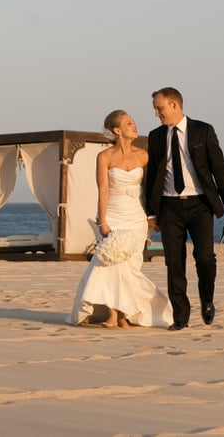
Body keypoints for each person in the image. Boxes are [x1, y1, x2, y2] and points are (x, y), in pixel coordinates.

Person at [67, 110, 173, 329]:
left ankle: (124, 314)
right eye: (128, 123)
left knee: (130, 267)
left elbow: (151, 190)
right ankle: (114, 315)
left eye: (133, 121)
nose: (134, 125)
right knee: (111, 264)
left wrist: (153, 217)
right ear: (117, 130)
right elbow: (103, 190)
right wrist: (102, 220)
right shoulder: (105, 157)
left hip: (136, 216)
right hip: (114, 215)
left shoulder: (144, 155)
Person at [143, 87, 224, 331]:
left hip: (200, 205)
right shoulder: (155, 136)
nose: (156, 113)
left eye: (159, 108)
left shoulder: (202, 131)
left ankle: (207, 300)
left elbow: (219, 167)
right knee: (174, 263)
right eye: (155, 108)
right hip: (169, 206)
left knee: (204, 258)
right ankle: (181, 316)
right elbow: (151, 174)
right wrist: (151, 212)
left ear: (175, 105)